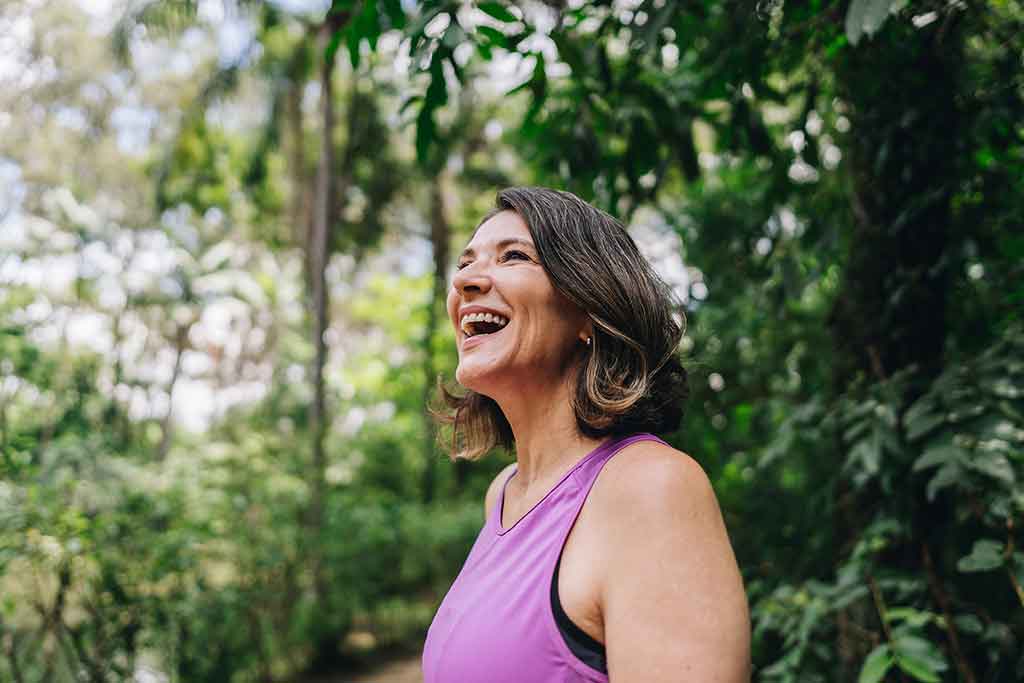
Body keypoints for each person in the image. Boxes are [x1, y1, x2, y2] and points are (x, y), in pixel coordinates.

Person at [421, 187, 750, 682]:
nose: (466, 280)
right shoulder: (504, 495)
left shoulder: (650, 489)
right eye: (466, 263)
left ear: (589, 311)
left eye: (514, 256)